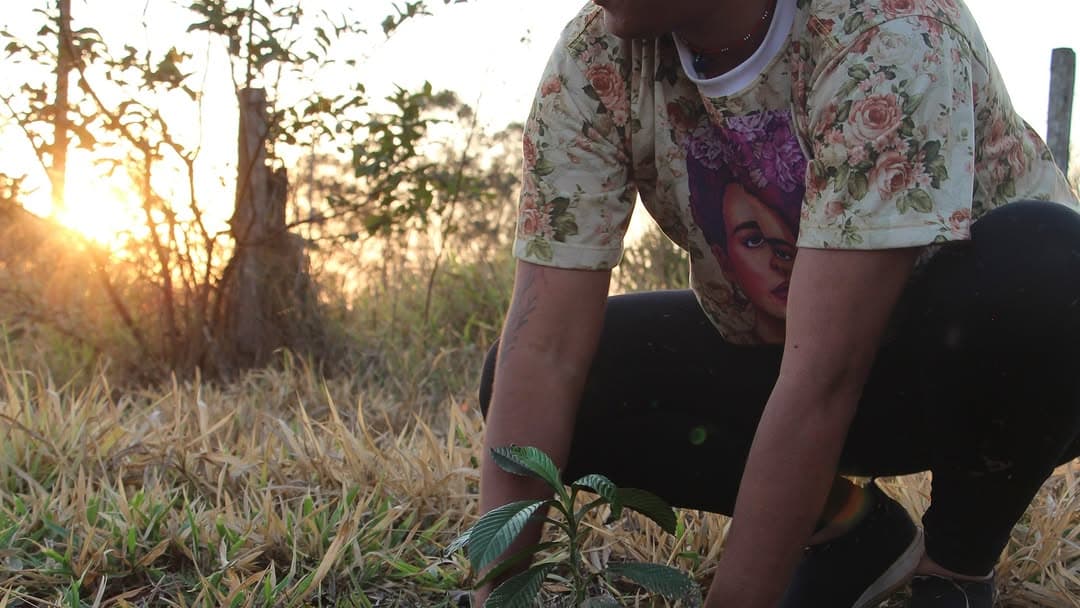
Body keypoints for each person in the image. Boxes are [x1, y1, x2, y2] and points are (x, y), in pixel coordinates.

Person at [475, 0, 1080, 606]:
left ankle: (955, 568)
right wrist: (490, 594)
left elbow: (825, 375)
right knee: (532, 375)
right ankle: (851, 531)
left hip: (980, 371)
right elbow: (545, 348)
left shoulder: (888, 28)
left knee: (1049, 269)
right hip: (791, 358)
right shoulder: (596, 54)